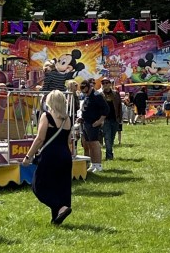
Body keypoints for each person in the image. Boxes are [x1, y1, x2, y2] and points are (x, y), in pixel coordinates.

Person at [22, 89, 74, 225]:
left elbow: (40, 138)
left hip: (50, 155)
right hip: (65, 155)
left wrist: (28, 156)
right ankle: (56, 218)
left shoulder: (46, 116)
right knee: (60, 186)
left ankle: (61, 207)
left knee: (38, 186)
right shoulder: (68, 119)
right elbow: (69, 140)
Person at [80, 80, 108, 173]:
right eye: (82, 89)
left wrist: (100, 121)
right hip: (86, 122)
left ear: (89, 87)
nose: (83, 91)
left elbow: (106, 109)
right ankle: (93, 164)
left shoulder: (97, 96)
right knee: (89, 144)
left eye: (85, 88)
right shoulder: (87, 96)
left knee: (95, 144)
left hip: (93, 123)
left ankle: (98, 165)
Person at [100, 79, 122, 158]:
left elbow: (119, 106)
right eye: (103, 83)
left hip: (115, 119)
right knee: (107, 138)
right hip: (105, 120)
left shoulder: (116, 93)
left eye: (106, 83)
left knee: (112, 138)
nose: (105, 84)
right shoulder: (100, 95)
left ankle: (109, 151)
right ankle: (109, 156)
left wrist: (120, 118)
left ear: (110, 84)